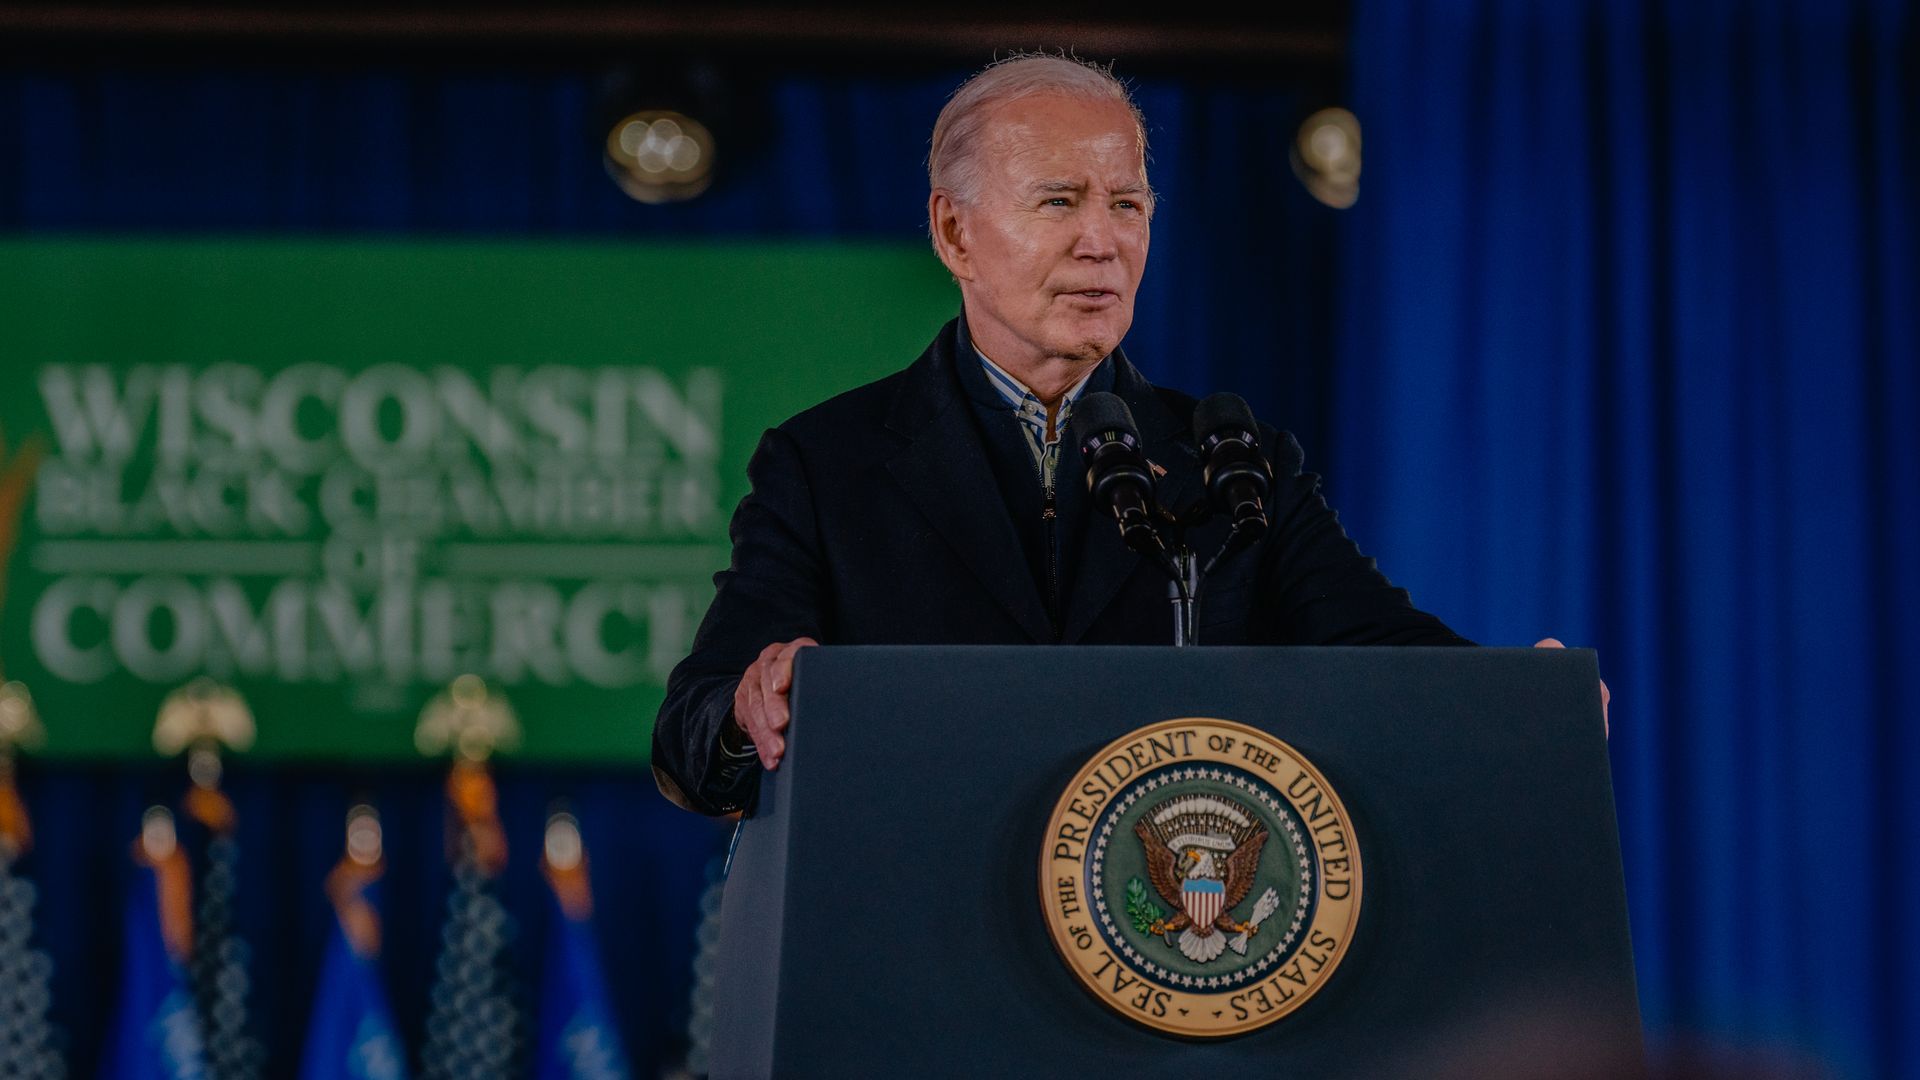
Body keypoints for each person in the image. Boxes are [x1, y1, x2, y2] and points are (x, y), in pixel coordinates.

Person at [652, 54, 1602, 816]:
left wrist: (1518, 702)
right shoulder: (827, 464)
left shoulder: (1237, 463)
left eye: (1128, 204)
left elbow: (1381, 647)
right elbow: (692, 734)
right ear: (954, 234)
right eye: (1058, 201)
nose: (1102, 241)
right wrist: (750, 706)